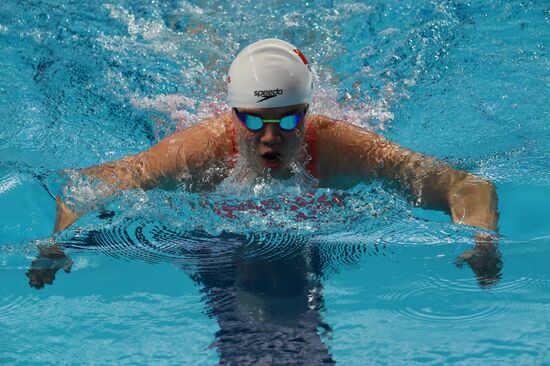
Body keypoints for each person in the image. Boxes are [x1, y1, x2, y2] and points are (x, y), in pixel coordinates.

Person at [27, 38, 500, 288]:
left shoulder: (342, 149)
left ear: (309, 113)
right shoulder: (198, 151)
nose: (271, 138)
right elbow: (97, 181)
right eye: (253, 123)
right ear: (232, 117)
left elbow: (466, 185)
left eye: (289, 119)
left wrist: (482, 241)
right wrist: (54, 244)